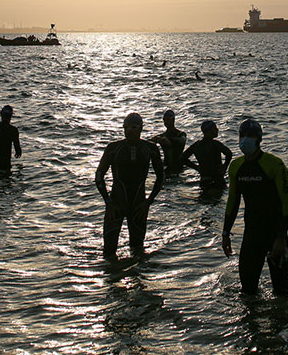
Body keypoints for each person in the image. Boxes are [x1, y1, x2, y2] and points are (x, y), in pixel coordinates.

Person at [221, 119, 288, 295]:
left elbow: (286, 202)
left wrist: (281, 238)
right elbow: (233, 201)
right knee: (247, 292)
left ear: (259, 139)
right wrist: (225, 233)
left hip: (274, 235)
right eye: (242, 135)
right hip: (251, 235)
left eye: (250, 136)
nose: (245, 140)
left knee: (282, 293)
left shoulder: (274, 164)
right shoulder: (236, 166)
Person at [95, 113, 165, 260]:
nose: (129, 131)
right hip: (116, 205)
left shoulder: (150, 149)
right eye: (126, 128)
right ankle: (112, 279)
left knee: (138, 252)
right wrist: (108, 202)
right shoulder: (113, 148)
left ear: (141, 129)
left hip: (138, 205)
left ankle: (138, 279)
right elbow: (99, 176)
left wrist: (148, 202)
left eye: (133, 127)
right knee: (108, 253)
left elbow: (161, 177)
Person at [181, 120, 233, 192]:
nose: (217, 130)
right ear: (208, 131)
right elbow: (229, 153)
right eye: (214, 128)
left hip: (204, 180)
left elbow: (182, 158)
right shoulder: (215, 144)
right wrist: (224, 167)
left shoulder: (196, 145)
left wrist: (196, 167)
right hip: (217, 180)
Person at [150, 109, 187, 174]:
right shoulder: (162, 136)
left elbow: (182, 141)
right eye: (164, 120)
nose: (166, 122)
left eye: (168, 119)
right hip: (166, 166)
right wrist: (156, 140)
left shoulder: (180, 134)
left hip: (178, 166)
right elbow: (149, 142)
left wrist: (168, 140)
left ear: (173, 120)